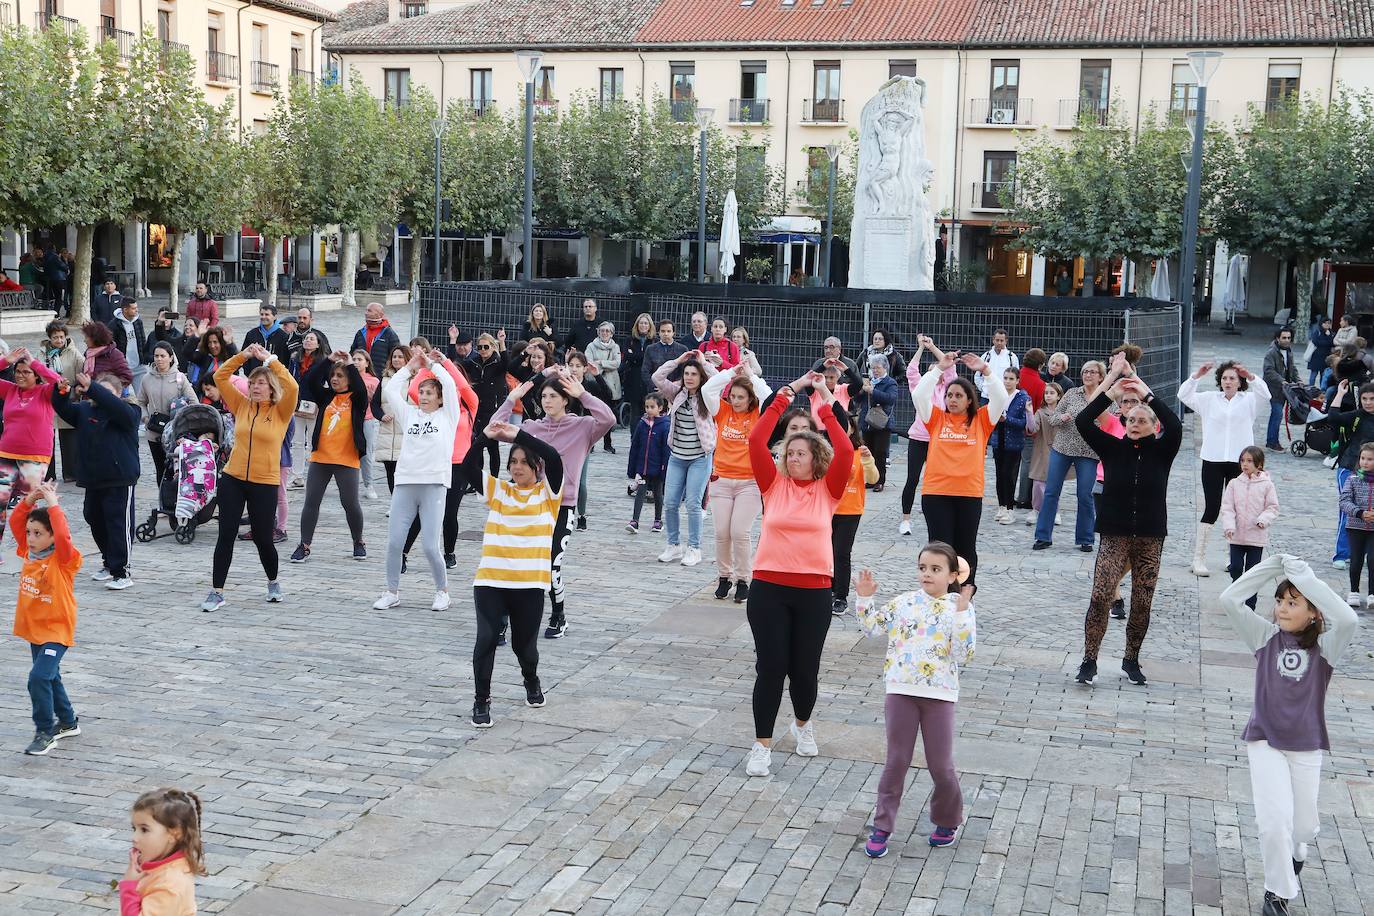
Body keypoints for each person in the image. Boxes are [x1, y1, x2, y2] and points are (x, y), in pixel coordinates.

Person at [1218, 556, 1358, 916]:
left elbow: (1348, 618)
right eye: (1279, 601)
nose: (1281, 608)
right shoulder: (1264, 638)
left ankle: (1299, 850)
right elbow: (1230, 600)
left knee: (1302, 825)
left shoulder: (1327, 647)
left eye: (1292, 602)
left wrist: (1304, 578)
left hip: (1307, 746)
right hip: (1264, 739)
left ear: (1313, 612)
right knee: (1274, 820)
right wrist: (1273, 565)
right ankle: (1276, 893)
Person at [742, 371, 854, 778]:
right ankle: (761, 744)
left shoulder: (830, 489)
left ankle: (802, 726)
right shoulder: (772, 485)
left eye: (801, 453)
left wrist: (822, 402)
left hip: (814, 591)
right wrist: (785, 395)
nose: (793, 458)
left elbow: (845, 451)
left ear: (815, 459)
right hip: (769, 588)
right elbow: (756, 440)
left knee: (804, 670)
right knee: (771, 667)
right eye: (789, 452)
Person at [855, 545, 975, 858]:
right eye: (923, 567)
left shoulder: (958, 606)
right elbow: (871, 628)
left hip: (939, 696)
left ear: (952, 576)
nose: (927, 574)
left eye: (936, 569)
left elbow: (965, 654)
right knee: (896, 761)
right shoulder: (904, 602)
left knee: (941, 766)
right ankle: (882, 826)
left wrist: (962, 613)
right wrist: (865, 598)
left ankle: (948, 819)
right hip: (900, 691)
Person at [1073, 355, 1182, 686]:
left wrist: (1144, 391)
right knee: (1100, 596)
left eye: (1141, 420)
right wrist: (1113, 385)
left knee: (1142, 601)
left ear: (1152, 426)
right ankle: (1090, 660)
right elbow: (1083, 421)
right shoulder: (1112, 448)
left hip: (1150, 537)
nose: (1134, 423)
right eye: (1129, 418)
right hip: (1115, 534)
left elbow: (1175, 424)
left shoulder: (1163, 450)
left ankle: (1131, 659)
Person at [493, 369, 614, 638]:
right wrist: (511, 398)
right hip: (532, 506)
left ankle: (558, 615)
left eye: (553, 396)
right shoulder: (533, 427)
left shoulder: (583, 427)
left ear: (565, 399)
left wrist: (584, 394)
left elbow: (609, 419)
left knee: (551, 565)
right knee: (517, 562)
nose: (547, 400)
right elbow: (494, 429)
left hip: (563, 507)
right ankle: (504, 619)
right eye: (544, 396)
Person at [464, 420, 565, 728]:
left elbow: (555, 458)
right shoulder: (499, 491)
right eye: (513, 462)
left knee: (525, 647)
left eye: (524, 462)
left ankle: (531, 680)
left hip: (529, 585)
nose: (517, 467)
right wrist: (485, 437)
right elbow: (467, 467)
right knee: (485, 639)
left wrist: (518, 435)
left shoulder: (549, 497)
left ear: (536, 467)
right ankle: (481, 702)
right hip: (491, 580)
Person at [202, 344, 297, 613]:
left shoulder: (281, 411)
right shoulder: (241, 405)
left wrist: (271, 360)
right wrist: (243, 356)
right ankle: (217, 591)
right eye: (253, 382)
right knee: (226, 534)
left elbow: (293, 388)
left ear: (271, 388)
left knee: (263, 539)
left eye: (262, 383)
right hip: (233, 478)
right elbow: (220, 376)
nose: (256, 387)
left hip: (264, 482)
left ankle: (273, 582)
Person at [912, 336, 1009, 588]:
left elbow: (1000, 397)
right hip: (936, 493)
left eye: (958, 396)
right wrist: (940, 368)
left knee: (966, 549)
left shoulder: (982, 420)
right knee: (941, 548)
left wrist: (986, 371)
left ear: (969, 400)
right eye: (949, 395)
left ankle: (964, 595)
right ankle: (940, 594)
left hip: (968, 493)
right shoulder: (935, 419)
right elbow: (919, 394)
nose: (952, 399)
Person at [375, 350, 461, 612]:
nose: (423, 397)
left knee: (429, 545)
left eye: (429, 393)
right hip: (405, 483)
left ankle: (442, 591)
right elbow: (391, 392)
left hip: (434, 484)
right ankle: (391, 591)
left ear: (439, 398)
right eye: (421, 392)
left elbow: (449, 383)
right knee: (394, 542)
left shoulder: (448, 416)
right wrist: (411, 366)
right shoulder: (409, 414)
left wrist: (434, 364)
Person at [1177, 360, 1270, 576]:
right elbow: (1183, 395)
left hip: (1241, 463)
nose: (1228, 381)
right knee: (1212, 507)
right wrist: (1196, 375)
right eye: (1225, 378)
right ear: (1220, 380)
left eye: (1233, 378)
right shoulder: (1209, 399)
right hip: (1213, 459)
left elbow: (1266, 394)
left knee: (1239, 509)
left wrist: (1251, 375)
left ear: (1240, 382)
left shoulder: (1249, 401)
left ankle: (1233, 556)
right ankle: (1198, 558)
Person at [52, 372, 140, 590]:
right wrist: (62, 391)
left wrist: (94, 389)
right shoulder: (85, 410)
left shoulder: (129, 411)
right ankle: (109, 563)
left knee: (118, 524)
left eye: (107, 393)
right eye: (98, 391)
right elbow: (63, 409)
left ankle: (122, 571)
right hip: (93, 478)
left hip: (120, 478)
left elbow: (118, 409)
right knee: (93, 518)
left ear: (118, 394)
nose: (101, 397)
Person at [11, 483, 81, 756]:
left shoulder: (64, 560)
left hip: (56, 630)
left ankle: (44, 731)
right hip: (34, 630)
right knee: (50, 677)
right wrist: (30, 499)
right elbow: (17, 521)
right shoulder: (27, 553)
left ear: (52, 537)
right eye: (29, 533)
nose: (30, 538)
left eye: (38, 533)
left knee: (38, 677)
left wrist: (53, 504)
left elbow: (63, 535)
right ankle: (67, 722)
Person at [399, 351, 478, 570]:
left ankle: (449, 552)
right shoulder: (436, 410)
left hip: (459, 466)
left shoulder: (469, 406)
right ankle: (403, 553)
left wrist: (444, 363)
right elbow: (414, 390)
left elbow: (461, 387)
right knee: (419, 512)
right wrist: (426, 366)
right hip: (433, 464)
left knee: (449, 512)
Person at [290, 352, 370, 564]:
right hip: (320, 458)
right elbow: (311, 380)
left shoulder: (357, 399)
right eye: (333, 375)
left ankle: (358, 541)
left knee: (350, 503)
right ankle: (304, 545)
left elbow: (361, 388)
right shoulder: (326, 396)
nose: (334, 379)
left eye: (340, 376)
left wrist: (351, 364)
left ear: (349, 378)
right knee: (311, 502)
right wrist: (328, 360)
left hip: (346, 459)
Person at [703, 363, 772, 602]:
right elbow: (707, 390)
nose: (735, 401)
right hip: (721, 480)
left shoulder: (758, 414)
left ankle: (744, 579)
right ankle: (724, 576)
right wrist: (731, 373)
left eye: (741, 397)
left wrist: (751, 375)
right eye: (732, 396)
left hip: (749, 483)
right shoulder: (722, 411)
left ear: (750, 397)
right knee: (722, 532)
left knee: (739, 532)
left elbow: (769, 396)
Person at [652, 350, 720, 567]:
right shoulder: (676, 393)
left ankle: (694, 548)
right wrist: (678, 361)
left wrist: (703, 361)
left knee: (693, 504)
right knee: (670, 502)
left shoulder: (707, 395)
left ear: (701, 377)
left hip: (700, 457)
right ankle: (674, 545)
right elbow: (657, 378)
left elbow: (719, 380)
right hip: (677, 457)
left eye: (694, 374)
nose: (689, 377)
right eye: (687, 373)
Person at [1033, 359, 1106, 551]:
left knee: (1085, 495)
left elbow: (1112, 422)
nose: (1087, 375)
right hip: (1062, 448)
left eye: (1092, 372)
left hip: (1088, 452)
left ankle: (1086, 538)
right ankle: (1043, 536)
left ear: (1101, 376)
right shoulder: (1072, 393)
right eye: (1084, 372)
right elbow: (1054, 417)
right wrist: (1062, 417)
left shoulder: (1106, 397)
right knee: (1051, 492)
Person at [118, 787, 206, 915]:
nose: (134, 838)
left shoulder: (169, 885)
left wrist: (129, 886)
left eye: (144, 830)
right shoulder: (164, 865)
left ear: (174, 834)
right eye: (134, 828)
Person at [899, 351, 955, 537]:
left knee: (938, 481)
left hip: (939, 440)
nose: (935, 375)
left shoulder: (946, 389)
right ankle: (905, 520)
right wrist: (921, 349)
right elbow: (912, 371)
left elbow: (950, 367)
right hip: (918, 439)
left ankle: (938, 516)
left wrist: (932, 347)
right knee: (912, 479)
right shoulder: (920, 388)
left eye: (938, 372)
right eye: (931, 372)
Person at [1220, 446, 1279, 610]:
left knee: (1252, 573)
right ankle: (1235, 596)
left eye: (1249, 461)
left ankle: (1250, 605)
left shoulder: (1267, 485)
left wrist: (1263, 519)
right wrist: (1229, 526)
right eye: (1242, 460)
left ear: (1259, 464)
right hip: (1237, 536)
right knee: (1236, 568)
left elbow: (1273, 507)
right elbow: (1227, 507)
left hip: (1256, 538)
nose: (1244, 464)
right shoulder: (1233, 484)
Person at [1325, 380, 1374, 571]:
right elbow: (1333, 418)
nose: (1368, 402)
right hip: (1349, 467)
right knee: (1348, 510)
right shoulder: (1358, 416)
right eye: (1364, 399)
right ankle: (1342, 553)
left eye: (1371, 399)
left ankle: (1362, 552)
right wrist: (1339, 393)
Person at [832, 424, 879, 615]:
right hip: (826, 508)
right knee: (824, 552)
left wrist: (868, 460)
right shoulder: (826, 449)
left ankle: (841, 596)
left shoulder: (861, 452)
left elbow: (873, 478)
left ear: (853, 428)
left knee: (841, 553)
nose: (842, 429)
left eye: (846, 425)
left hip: (850, 510)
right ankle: (827, 590)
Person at [138, 342, 195, 483]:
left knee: (175, 469)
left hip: (174, 433)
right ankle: (162, 502)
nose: (159, 359)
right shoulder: (147, 378)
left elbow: (194, 402)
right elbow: (140, 402)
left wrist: (181, 421)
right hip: (154, 432)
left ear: (170, 358)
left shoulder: (180, 378)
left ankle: (174, 502)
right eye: (156, 356)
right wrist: (145, 418)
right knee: (160, 469)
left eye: (163, 356)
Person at [42, 321, 82, 483]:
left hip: (68, 399)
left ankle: (71, 473)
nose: (59, 340)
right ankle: (48, 474)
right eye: (55, 337)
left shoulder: (74, 354)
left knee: (69, 439)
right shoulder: (42, 353)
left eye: (61, 337)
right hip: (48, 400)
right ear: (49, 338)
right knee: (46, 438)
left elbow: (81, 374)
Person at [989, 367, 1031, 524]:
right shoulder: (998, 395)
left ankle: (1010, 508)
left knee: (1009, 474)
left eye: (1011, 378)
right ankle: (1001, 506)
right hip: (997, 439)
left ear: (1017, 381)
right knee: (999, 474)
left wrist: (1006, 420)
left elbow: (1024, 423)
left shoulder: (1022, 398)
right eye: (1005, 378)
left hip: (1013, 442)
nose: (1007, 381)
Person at [626, 393, 670, 534]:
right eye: (647, 407)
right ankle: (635, 521)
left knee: (658, 493)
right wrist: (633, 468)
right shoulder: (642, 424)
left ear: (660, 408)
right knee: (640, 492)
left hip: (657, 468)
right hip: (643, 468)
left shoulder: (664, 426)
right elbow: (635, 446)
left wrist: (665, 468)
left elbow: (666, 450)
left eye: (652, 407)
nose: (649, 410)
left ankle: (658, 520)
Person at [371, 344, 412, 494]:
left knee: (403, 474)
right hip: (388, 433)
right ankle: (395, 504)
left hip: (405, 434)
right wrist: (382, 416)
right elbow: (374, 404)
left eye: (400, 356)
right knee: (390, 472)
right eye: (394, 356)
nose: (396, 359)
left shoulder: (414, 380)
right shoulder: (385, 380)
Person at [1339, 442, 1374, 607]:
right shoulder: (1352, 479)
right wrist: (1360, 513)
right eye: (1363, 458)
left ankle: (1372, 594)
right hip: (1355, 526)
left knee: (1373, 560)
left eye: (1370, 459)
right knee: (1356, 560)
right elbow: (1344, 501)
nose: (1365, 462)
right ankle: (1354, 590)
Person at [1025, 382, 1064, 528]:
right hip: (1041, 451)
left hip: (1058, 451)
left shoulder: (1063, 412)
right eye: (1046, 393)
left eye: (1052, 393)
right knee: (1038, 484)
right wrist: (1029, 412)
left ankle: (1055, 510)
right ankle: (1036, 509)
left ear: (1059, 396)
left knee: (1054, 483)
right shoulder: (1040, 412)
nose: (1048, 395)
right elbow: (1032, 428)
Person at [1014, 349, 1048, 509]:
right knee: (1027, 462)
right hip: (1028, 428)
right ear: (1040, 365)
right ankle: (1024, 498)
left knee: (1009, 464)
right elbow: (1040, 406)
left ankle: (1007, 498)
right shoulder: (1040, 384)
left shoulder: (1015, 377)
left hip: (1010, 425)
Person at [861, 354, 898, 492]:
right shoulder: (869, 381)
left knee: (880, 453)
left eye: (878, 368)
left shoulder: (890, 382)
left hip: (882, 423)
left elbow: (890, 398)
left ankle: (880, 481)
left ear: (885, 368)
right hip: (867, 421)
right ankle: (871, 479)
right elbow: (859, 399)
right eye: (873, 367)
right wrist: (862, 389)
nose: (875, 370)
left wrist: (873, 391)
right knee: (868, 452)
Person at [351, 349, 382, 500]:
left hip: (368, 419)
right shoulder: (347, 377)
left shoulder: (374, 381)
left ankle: (368, 485)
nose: (356, 362)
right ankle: (350, 484)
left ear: (367, 362)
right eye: (354, 359)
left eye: (359, 359)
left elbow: (378, 402)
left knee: (366, 454)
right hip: (349, 419)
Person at [585, 321, 623, 439]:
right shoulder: (591, 346)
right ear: (598, 332)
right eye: (602, 330)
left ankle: (608, 443)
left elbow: (617, 363)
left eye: (607, 331)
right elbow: (589, 362)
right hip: (594, 382)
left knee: (608, 411)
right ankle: (590, 442)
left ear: (612, 333)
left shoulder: (615, 347)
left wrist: (600, 362)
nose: (604, 333)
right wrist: (607, 365)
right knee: (590, 412)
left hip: (611, 383)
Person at [1262, 327, 1298, 451]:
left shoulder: (1288, 351)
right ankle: (1272, 441)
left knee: (1277, 414)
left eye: (1289, 338)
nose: (1287, 340)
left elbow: (1292, 368)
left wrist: (1298, 380)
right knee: (1277, 413)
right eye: (1284, 338)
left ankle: (1272, 440)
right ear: (1278, 338)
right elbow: (1268, 371)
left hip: (1284, 390)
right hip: (1274, 389)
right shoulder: (1271, 352)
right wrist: (1281, 380)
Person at [108, 299, 149, 393]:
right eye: (133, 308)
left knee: (142, 396)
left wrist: (145, 357)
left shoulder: (138, 322)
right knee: (121, 396)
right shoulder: (114, 325)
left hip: (139, 367)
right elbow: (110, 346)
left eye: (136, 308)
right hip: (122, 368)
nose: (136, 310)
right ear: (125, 310)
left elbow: (143, 341)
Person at [622, 313, 655, 430]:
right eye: (641, 323)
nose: (643, 325)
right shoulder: (629, 340)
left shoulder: (654, 342)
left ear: (650, 326)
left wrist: (635, 356)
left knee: (649, 412)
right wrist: (644, 355)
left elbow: (653, 360)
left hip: (648, 381)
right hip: (633, 381)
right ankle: (634, 441)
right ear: (637, 325)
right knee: (635, 414)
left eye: (646, 323)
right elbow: (627, 356)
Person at [241, 305, 290, 373]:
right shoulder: (251, 334)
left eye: (267, 314)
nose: (263, 317)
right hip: (255, 376)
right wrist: (249, 373)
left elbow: (286, 359)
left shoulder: (283, 336)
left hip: (275, 378)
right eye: (262, 314)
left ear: (275, 316)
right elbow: (244, 355)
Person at [642, 319, 687, 389]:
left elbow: (684, 371)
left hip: (675, 389)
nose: (666, 334)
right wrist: (654, 386)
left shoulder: (682, 349)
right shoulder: (650, 349)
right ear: (659, 333)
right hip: (655, 390)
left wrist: (674, 386)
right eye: (663, 331)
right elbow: (645, 371)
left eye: (668, 331)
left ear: (673, 333)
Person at [975, 329, 1019, 400]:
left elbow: (1016, 377)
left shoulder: (1012, 358)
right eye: (997, 340)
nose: (999, 343)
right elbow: (977, 376)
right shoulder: (985, 356)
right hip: (986, 398)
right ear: (993, 340)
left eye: (1001, 341)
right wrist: (984, 389)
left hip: (1005, 397)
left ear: (1006, 341)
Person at [1308, 318, 1335, 386]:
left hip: (1326, 357)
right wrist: (1326, 342)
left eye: (1328, 323)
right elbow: (1315, 341)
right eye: (1325, 323)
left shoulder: (1331, 333)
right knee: (1313, 375)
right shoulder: (1317, 331)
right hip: (1316, 356)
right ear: (1321, 324)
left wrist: (1328, 337)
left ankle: (1321, 390)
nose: (1327, 325)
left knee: (1323, 375)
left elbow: (1332, 343)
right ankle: (1310, 388)